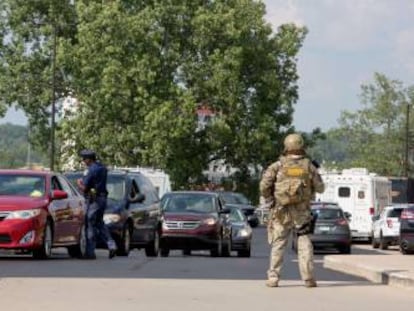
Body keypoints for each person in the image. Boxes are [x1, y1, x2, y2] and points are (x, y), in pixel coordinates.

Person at [260, 133, 324, 288]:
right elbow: (321, 188)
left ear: (286, 147)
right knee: (304, 244)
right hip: (301, 213)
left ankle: (273, 278)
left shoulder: (277, 166)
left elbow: (264, 186)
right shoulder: (309, 166)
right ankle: (308, 278)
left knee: (278, 244)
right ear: (301, 146)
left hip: (281, 212)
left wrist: (269, 199)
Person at [76, 149, 117, 259]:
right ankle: (111, 244)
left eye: (84, 159)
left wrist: (79, 183)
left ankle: (90, 252)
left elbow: (84, 188)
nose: (83, 161)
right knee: (99, 223)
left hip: (94, 200)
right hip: (103, 198)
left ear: (89, 159)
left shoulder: (91, 170)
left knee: (90, 223)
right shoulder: (102, 168)